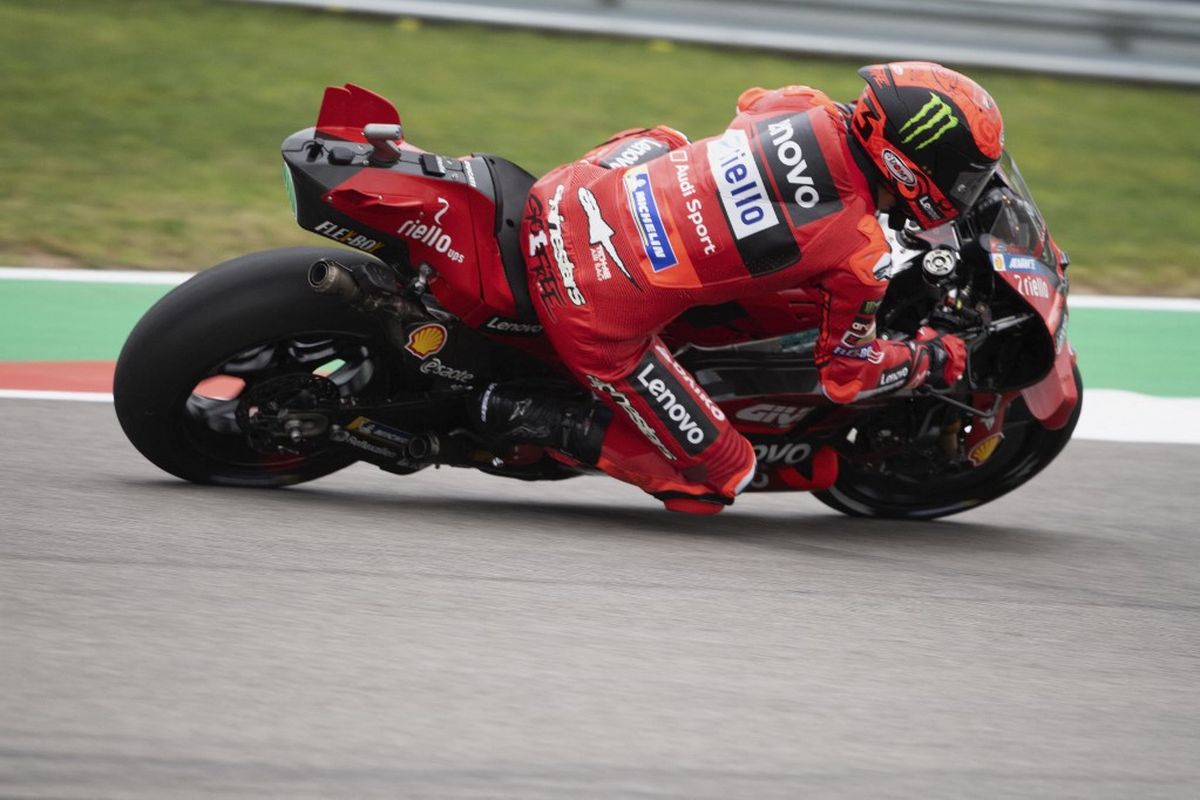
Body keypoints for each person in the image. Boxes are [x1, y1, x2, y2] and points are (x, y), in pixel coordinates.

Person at [474, 61, 1000, 514]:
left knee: (670, 141)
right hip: (593, 307)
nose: (964, 191)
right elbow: (847, 377)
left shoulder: (800, 103)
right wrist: (934, 357)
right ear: (908, 165)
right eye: (961, 176)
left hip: (568, 195)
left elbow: (750, 105)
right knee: (721, 476)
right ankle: (521, 413)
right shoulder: (862, 256)